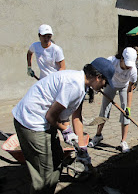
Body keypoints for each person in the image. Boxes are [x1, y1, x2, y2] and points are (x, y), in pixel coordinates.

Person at [13, 57, 115, 194]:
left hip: (43, 120)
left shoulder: (81, 85)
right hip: (31, 122)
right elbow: (50, 116)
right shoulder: (74, 85)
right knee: (44, 174)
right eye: (105, 82)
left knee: (56, 159)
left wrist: (82, 147)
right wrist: (66, 130)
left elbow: (76, 117)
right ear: (98, 77)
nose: (105, 86)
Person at [88, 47, 137, 153]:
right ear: (122, 58)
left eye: (130, 65)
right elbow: (100, 72)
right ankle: (98, 136)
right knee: (104, 111)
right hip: (111, 84)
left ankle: (123, 141)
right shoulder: (112, 61)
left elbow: (130, 90)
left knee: (126, 113)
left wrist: (128, 107)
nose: (128, 68)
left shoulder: (133, 71)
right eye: (127, 65)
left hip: (124, 87)